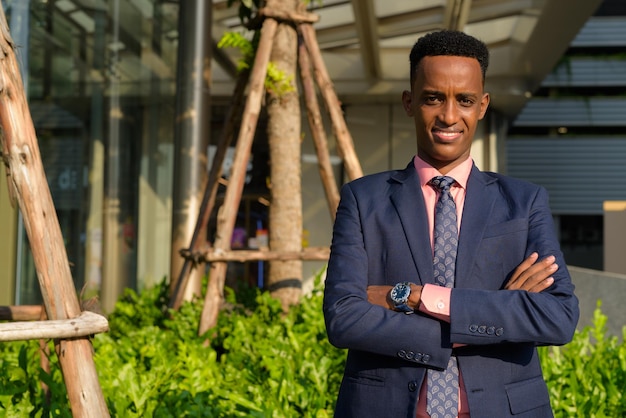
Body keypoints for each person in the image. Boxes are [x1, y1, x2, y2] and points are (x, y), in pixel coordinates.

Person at [323, 30, 579, 418]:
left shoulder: (523, 203)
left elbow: (557, 318)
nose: (448, 115)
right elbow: (344, 317)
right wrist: (494, 315)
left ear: (483, 105)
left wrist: (415, 296)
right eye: (433, 98)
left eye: (465, 100)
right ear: (409, 102)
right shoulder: (364, 200)